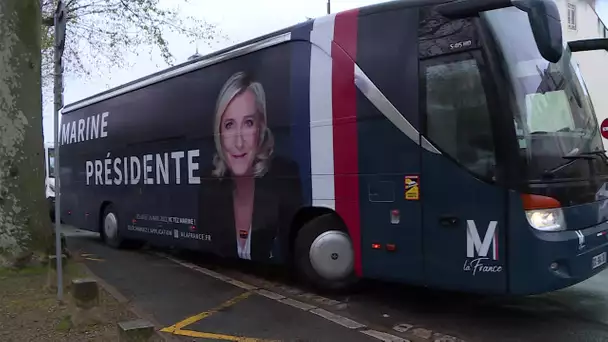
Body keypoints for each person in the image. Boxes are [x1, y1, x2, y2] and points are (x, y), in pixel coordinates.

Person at [198, 71, 303, 262]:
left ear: (261, 128)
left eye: (248, 123)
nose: (239, 142)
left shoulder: (285, 176)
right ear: (218, 131)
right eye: (229, 125)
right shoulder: (209, 184)